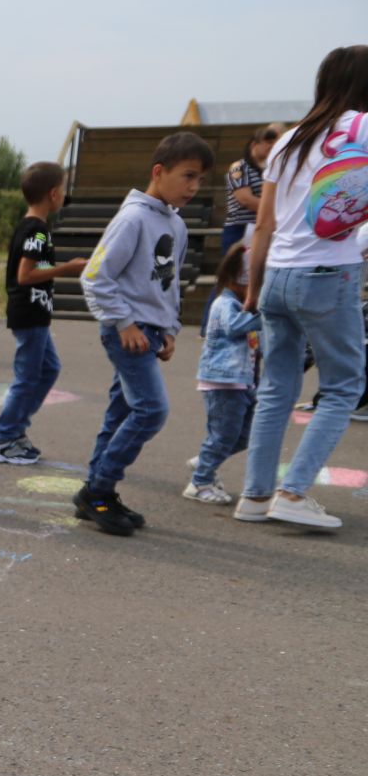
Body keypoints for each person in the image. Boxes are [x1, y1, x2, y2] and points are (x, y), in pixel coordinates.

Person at [237, 46, 368, 530]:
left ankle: (255, 496)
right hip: (330, 274)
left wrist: (253, 289)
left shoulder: (290, 139)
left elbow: (265, 223)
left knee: (276, 389)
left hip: (276, 276)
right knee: (342, 386)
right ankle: (292, 493)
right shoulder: (363, 128)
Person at [74, 132, 213, 536]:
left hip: (151, 331)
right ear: (159, 171)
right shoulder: (133, 218)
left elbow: (166, 284)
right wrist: (124, 322)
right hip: (127, 332)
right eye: (187, 176)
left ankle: (98, 493)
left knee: (120, 413)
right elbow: (96, 276)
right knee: (151, 411)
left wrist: (169, 329)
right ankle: (97, 491)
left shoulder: (176, 224)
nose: (193, 187)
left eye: (200, 180)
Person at [0, 161, 88, 465]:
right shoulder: (37, 231)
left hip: (36, 312)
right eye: (64, 189)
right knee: (28, 377)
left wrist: (57, 268)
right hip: (29, 312)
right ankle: (4, 437)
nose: (64, 195)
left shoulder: (35, 229)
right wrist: (67, 269)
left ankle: (14, 430)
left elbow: (35, 268)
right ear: (53, 194)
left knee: (49, 369)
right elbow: (25, 275)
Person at [185, 245, 262, 505]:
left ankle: (205, 460)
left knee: (245, 435)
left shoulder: (239, 303)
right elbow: (234, 327)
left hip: (241, 382)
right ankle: (199, 482)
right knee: (224, 436)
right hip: (223, 382)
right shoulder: (225, 303)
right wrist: (264, 314)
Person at [222, 124, 282, 255]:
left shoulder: (270, 170)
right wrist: (278, 210)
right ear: (254, 144)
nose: (272, 146)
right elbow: (245, 199)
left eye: (274, 143)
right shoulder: (238, 167)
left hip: (263, 228)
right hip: (240, 229)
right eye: (268, 142)